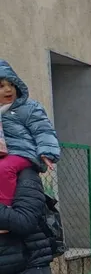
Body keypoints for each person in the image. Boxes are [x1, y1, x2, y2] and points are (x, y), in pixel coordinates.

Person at [0, 61, 59, 207]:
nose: (8, 89)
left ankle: (5, 208)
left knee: (4, 168)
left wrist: (47, 152)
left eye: (11, 84)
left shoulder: (28, 108)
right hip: (4, 153)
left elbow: (43, 130)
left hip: (23, 152)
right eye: (1, 86)